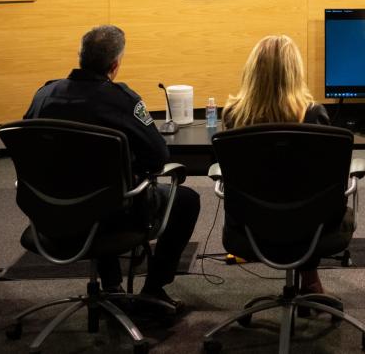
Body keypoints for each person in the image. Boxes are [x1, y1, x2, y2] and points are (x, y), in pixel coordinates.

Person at [24, 25, 200, 312]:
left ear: (79, 56)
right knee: (185, 200)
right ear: (115, 65)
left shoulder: (44, 95)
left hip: (50, 215)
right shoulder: (121, 100)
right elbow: (157, 157)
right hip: (111, 217)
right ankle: (153, 289)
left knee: (96, 187)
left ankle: (111, 285)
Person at [222, 35, 330, 297]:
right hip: (310, 225)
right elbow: (330, 175)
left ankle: (309, 281)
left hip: (249, 223)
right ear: (295, 73)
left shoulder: (233, 116)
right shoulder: (313, 116)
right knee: (309, 199)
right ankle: (311, 281)